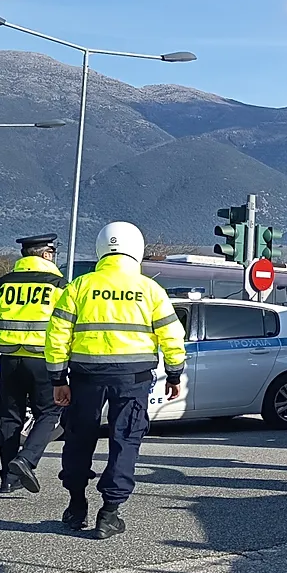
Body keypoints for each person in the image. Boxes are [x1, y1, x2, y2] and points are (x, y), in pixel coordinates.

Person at [44, 222, 186, 539]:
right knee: (125, 439)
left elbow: (56, 336)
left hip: (84, 376)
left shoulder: (78, 287)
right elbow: (173, 336)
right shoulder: (151, 290)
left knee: (78, 437)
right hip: (132, 378)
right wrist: (174, 374)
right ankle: (109, 513)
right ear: (136, 249)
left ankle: (76, 505)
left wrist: (57, 379)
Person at [0, 234, 68, 494]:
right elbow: (65, 326)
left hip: (9, 361)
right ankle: (26, 459)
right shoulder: (59, 286)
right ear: (47, 255)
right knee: (49, 413)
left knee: (9, 418)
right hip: (43, 360)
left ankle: (8, 478)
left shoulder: (1, 285)